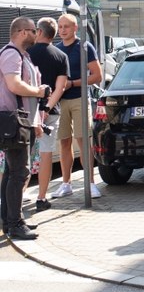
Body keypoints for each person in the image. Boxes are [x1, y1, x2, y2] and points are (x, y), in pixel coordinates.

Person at [1, 17, 49, 240]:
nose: (37, 33)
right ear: (21, 32)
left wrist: (37, 120)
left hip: (24, 121)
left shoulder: (23, 55)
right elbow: (14, 85)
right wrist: (38, 92)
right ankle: (15, 223)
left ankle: (10, 220)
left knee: (13, 173)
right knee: (19, 173)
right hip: (15, 122)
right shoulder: (12, 54)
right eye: (33, 30)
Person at [51, 13, 103, 199]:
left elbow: (97, 76)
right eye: (60, 26)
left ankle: (90, 184)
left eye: (66, 26)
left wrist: (73, 83)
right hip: (61, 101)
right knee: (64, 142)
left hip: (79, 98)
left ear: (75, 28)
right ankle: (66, 184)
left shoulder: (84, 47)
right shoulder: (55, 49)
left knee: (83, 141)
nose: (63, 30)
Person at [26, 17, 69, 212]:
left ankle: (15, 198)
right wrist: (47, 108)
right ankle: (41, 198)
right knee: (45, 154)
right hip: (50, 114)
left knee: (21, 156)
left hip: (26, 110)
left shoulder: (26, 54)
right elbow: (59, 88)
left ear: (40, 32)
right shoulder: (61, 56)